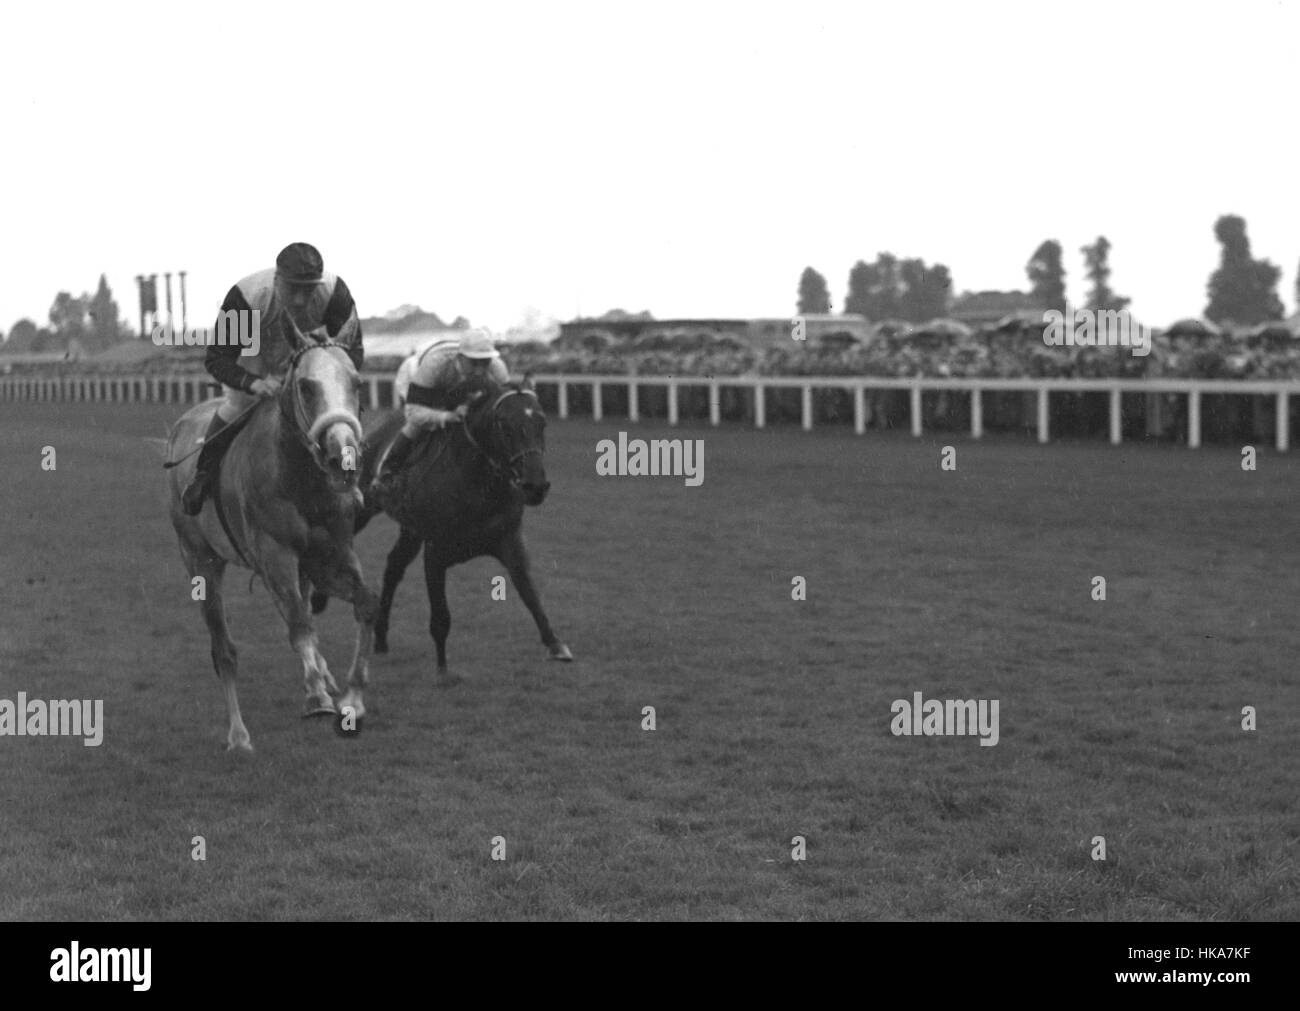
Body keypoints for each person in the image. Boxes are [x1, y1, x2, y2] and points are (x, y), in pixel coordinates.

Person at [181, 243, 362, 515]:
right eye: (293, 289)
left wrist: (330, 375)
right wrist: (253, 382)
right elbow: (217, 358)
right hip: (254, 355)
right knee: (237, 405)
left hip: (305, 358)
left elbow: (353, 352)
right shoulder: (247, 298)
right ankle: (204, 474)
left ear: (320, 283)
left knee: (341, 413)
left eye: (308, 289)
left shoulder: (335, 294)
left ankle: (349, 474)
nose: (301, 300)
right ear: (277, 280)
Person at [369, 328, 509, 507]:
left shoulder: (497, 368)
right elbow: (413, 411)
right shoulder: (436, 364)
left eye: (485, 362)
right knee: (416, 425)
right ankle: (386, 473)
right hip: (417, 374)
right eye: (474, 363)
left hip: (453, 386)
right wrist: (446, 416)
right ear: (460, 357)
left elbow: (505, 406)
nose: (480, 370)